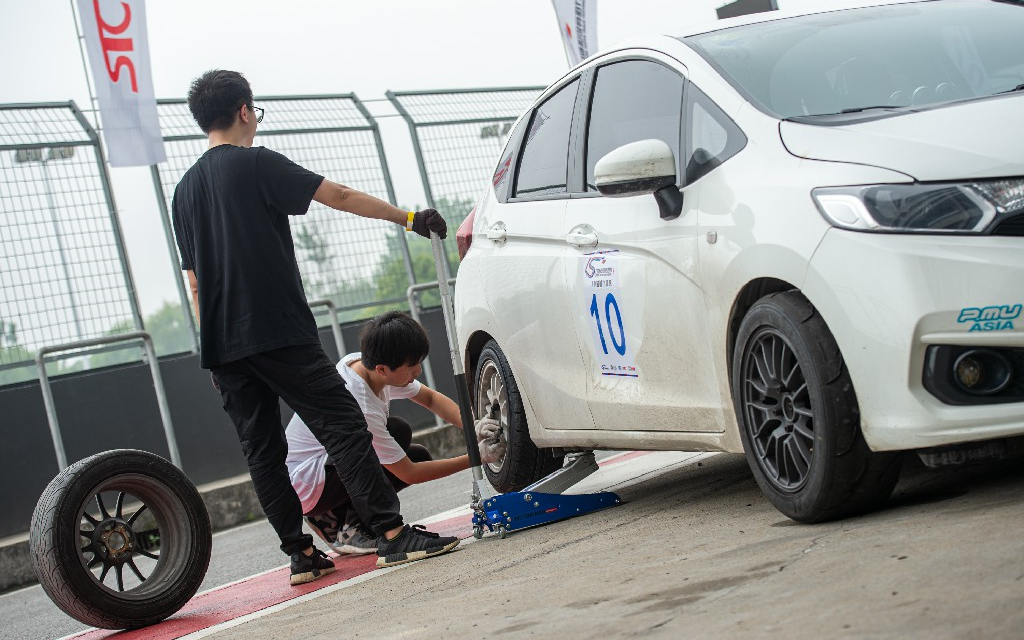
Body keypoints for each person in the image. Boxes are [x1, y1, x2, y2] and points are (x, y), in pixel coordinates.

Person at [171, 69, 458, 586]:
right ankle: (392, 536)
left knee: (263, 453)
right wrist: (408, 218)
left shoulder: (184, 191)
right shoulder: (255, 163)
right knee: (343, 425)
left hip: (222, 344)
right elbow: (339, 196)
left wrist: (211, 348)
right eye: (254, 112)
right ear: (244, 110)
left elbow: (194, 283)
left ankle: (301, 556)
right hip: (277, 329)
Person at [286, 311, 505, 558]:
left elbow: (430, 398)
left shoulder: (364, 365)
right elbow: (409, 473)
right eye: (411, 366)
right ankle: (335, 522)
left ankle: (346, 512)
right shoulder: (361, 405)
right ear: (382, 369)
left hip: (324, 466)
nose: (418, 372)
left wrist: (472, 424)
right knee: (402, 454)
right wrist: (475, 457)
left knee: (406, 441)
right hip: (306, 486)